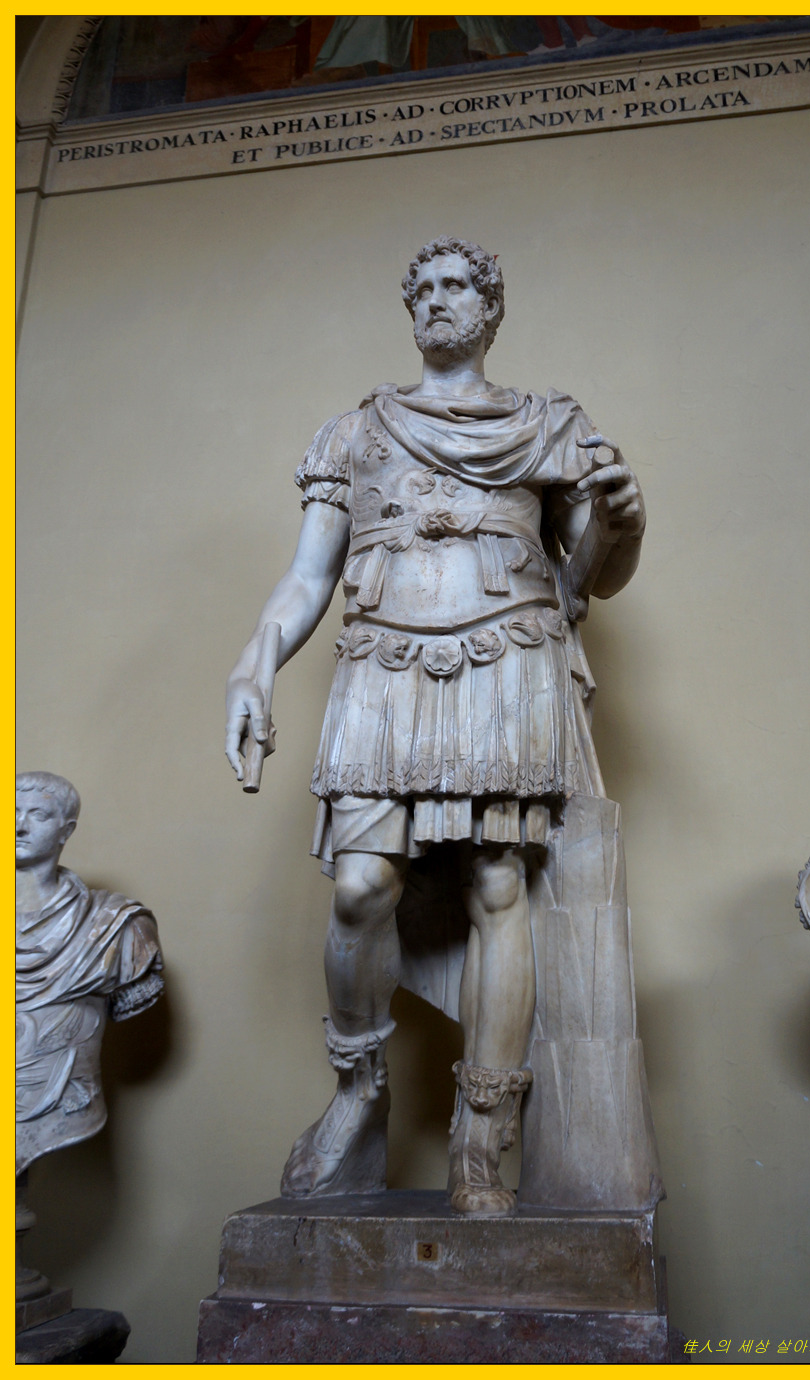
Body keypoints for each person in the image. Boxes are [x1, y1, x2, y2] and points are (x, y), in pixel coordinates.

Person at [225, 236, 645, 1215]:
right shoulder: (356, 431)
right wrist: (255, 661)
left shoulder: (549, 426)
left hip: (508, 660)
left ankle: (482, 1136)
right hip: (381, 663)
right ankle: (358, 1086)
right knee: (361, 888)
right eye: (423, 289)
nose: (438, 300)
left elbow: (597, 576)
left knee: (499, 884)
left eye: (458, 286)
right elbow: (308, 576)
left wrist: (622, 521)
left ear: (490, 309)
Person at [16, 772, 164, 1175]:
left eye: (37, 814)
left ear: (67, 830)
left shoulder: (114, 926)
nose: (18, 826)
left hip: (64, 1106)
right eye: (10, 814)